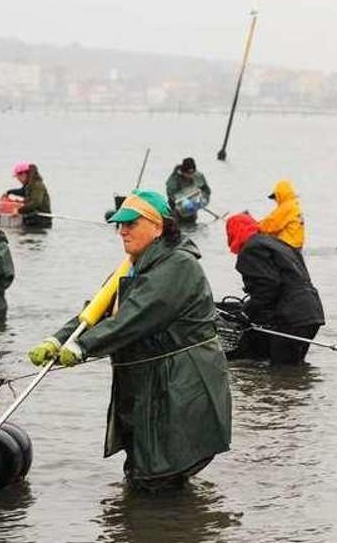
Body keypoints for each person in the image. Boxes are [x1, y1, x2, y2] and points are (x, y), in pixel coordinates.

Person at [27, 189, 231, 490]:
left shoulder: (179, 266)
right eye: (119, 224)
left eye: (131, 223)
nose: (121, 230)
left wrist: (83, 347)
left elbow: (133, 317)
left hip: (181, 380)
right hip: (148, 380)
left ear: (158, 226)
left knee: (161, 471)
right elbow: (96, 311)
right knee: (141, 468)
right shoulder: (132, 264)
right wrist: (57, 339)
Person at [224, 213, 325, 364]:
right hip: (312, 313)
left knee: (282, 370)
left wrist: (246, 312)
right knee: (295, 369)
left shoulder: (251, 249)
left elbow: (268, 286)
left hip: (291, 317)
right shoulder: (277, 243)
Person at [257, 178, 305, 251]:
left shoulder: (287, 207)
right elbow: (276, 223)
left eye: (276, 197)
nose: (275, 200)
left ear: (281, 195)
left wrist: (256, 226)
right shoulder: (294, 205)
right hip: (296, 246)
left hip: (288, 245)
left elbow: (271, 224)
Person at [166, 157, 212, 226]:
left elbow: (206, 190)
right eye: (188, 173)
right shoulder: (174, 179)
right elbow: (171, 195)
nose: (190, 175)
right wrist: (182, 201)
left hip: (193, 208)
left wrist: (203, 199)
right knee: (178, 226)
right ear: (183, 171)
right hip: (176, 209)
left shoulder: (198, 176)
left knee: (192, 226)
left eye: (192, 173)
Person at [5, 162, 52, 228]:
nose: (18, 179)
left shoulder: (37, 185)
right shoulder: (29, 184)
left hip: (41, 220)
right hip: (32, 218)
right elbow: (23, 191)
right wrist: (9, 192)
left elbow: (36, 202)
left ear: (24, 174)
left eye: (18, 177)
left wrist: (19, 210)